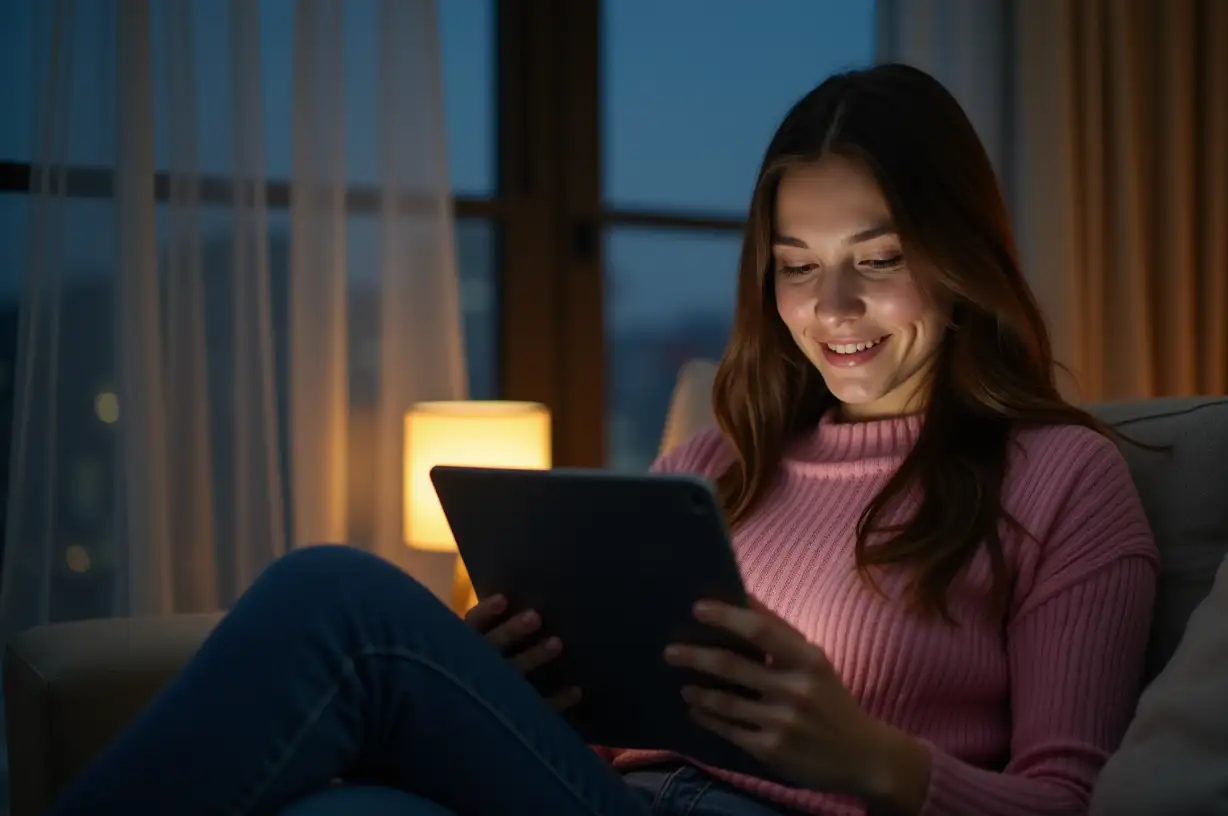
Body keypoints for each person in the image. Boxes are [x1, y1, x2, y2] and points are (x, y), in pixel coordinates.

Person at [52, 63, 1158, 816]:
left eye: (875, 259)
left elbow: (1069, 801)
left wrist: (875, 761)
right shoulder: (710, 465)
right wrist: (518, 691)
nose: (831, 308)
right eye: (793, 263)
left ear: (960, 263)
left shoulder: (1061, 479)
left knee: (337, 604)